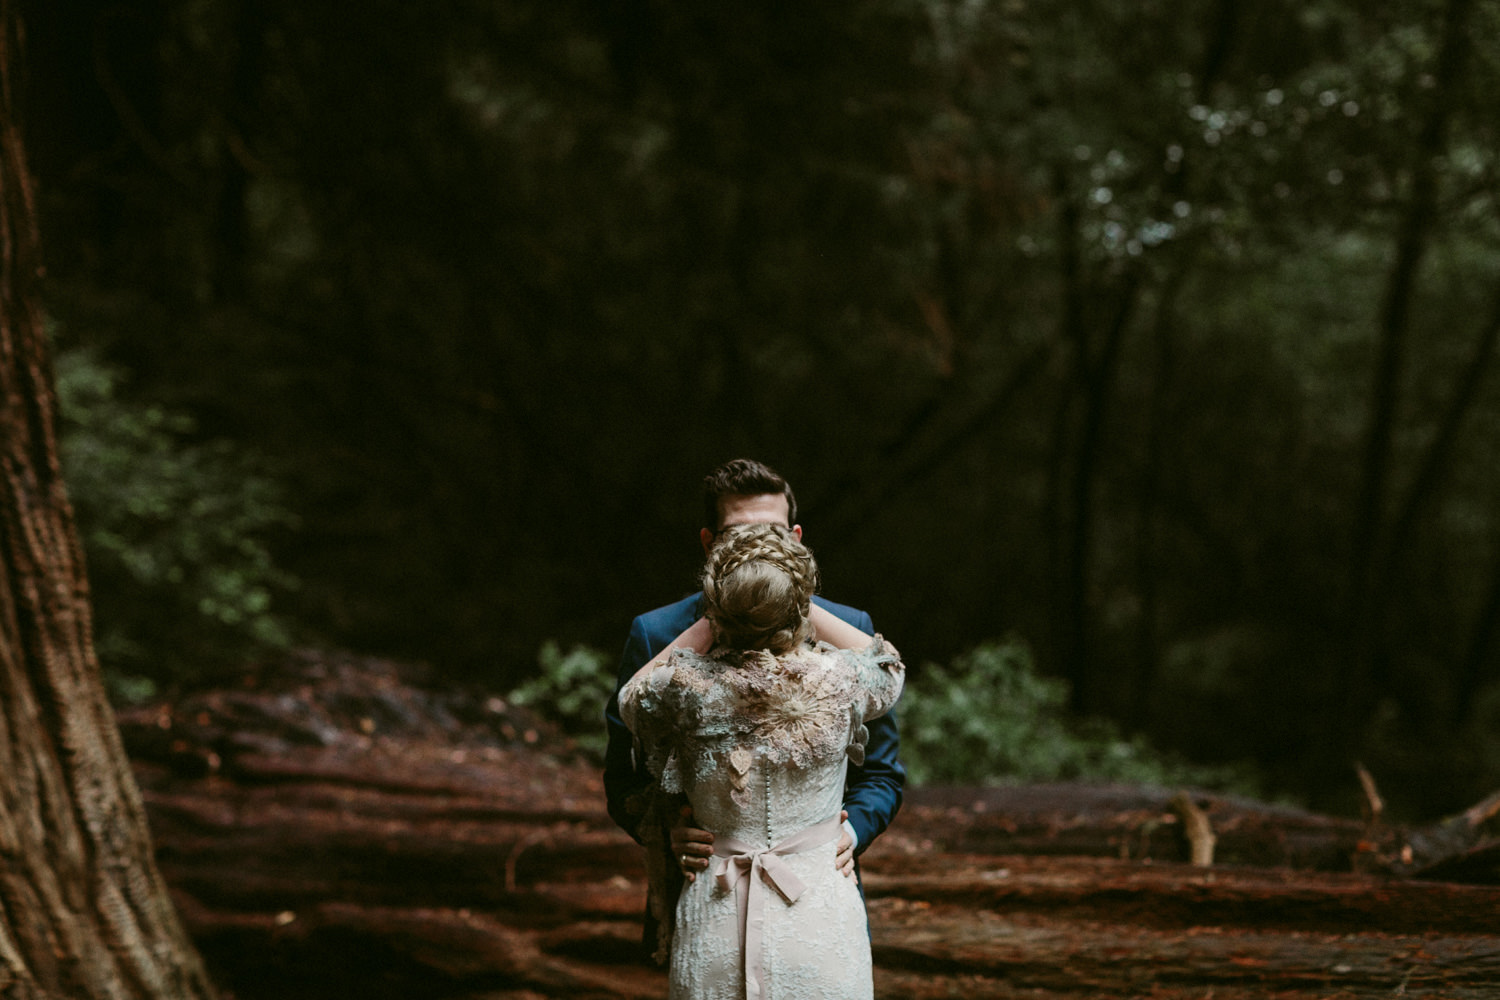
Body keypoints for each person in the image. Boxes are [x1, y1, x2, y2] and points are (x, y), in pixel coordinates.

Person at [618, 522, 904, 999]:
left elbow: (630, 697)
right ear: (800, 602)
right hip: (818, 919)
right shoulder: (843, 682)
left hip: (714, 912)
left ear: (716, 604)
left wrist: (728, 607)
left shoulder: (684, 689)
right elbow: (888, 663)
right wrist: (783, 593)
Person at [602, 460, 905, 905]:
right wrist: (668, 829)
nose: (759, 549)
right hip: (704, 883)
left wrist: (852, 829)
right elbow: (623, 770)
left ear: (796, 540)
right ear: (709, 543)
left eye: (773, 535)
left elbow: (880, 771)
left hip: (816, 879)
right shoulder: (657, 634)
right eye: (739, 536)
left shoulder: (850, 630)